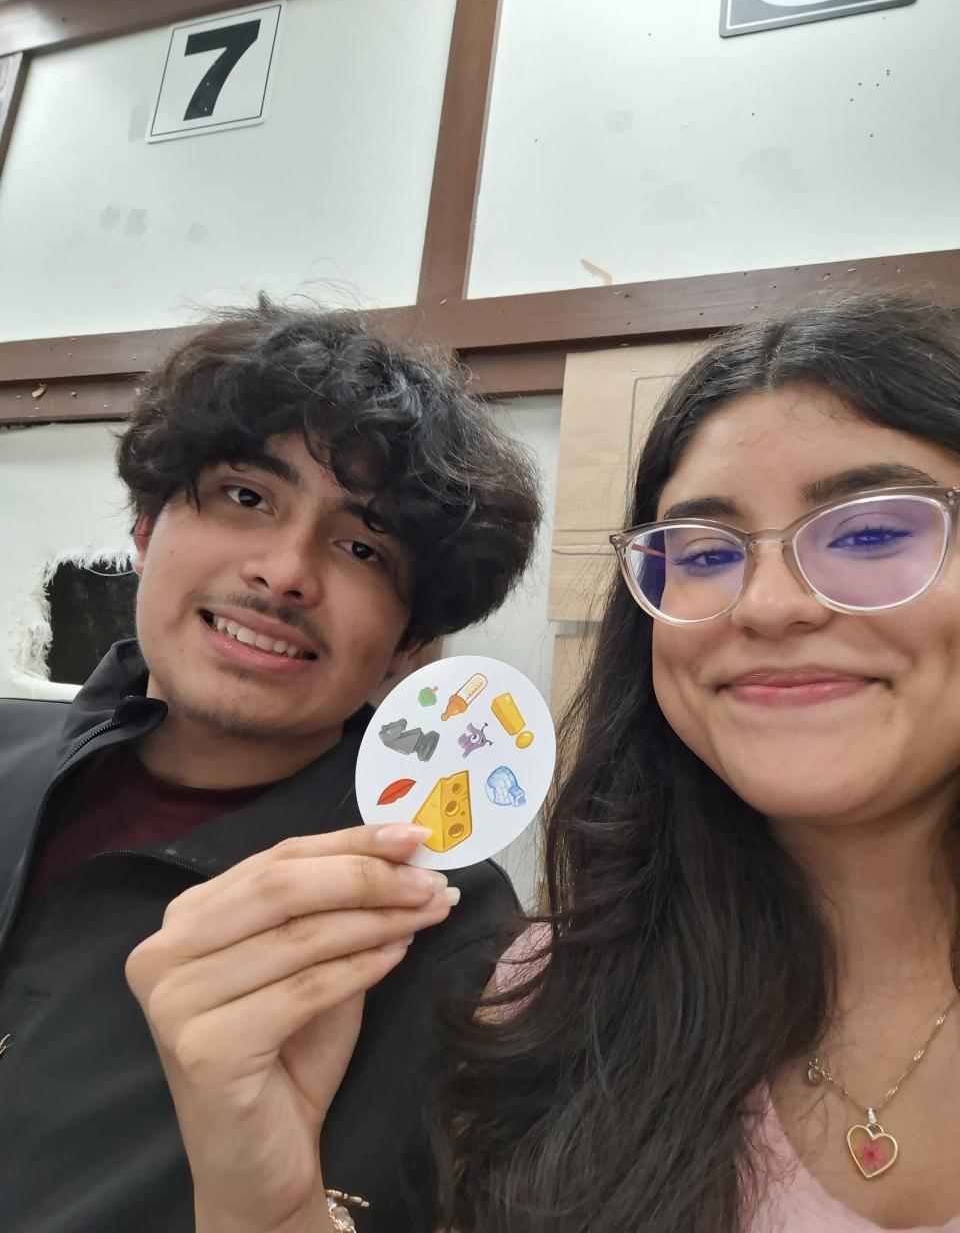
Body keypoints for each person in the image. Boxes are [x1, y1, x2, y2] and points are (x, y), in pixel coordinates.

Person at [146, 293, 960, 1233]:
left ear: (415, 639)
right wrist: (268, 1207)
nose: (768, 606)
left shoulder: (467, 951)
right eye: (702, 551)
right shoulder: (550, 996)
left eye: (870, 533)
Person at [0, 297, 540, 1233]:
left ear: (409, 643)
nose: (286, 572)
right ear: (145, 529)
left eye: (363, 546)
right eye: (247, 497)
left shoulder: (459, 939)